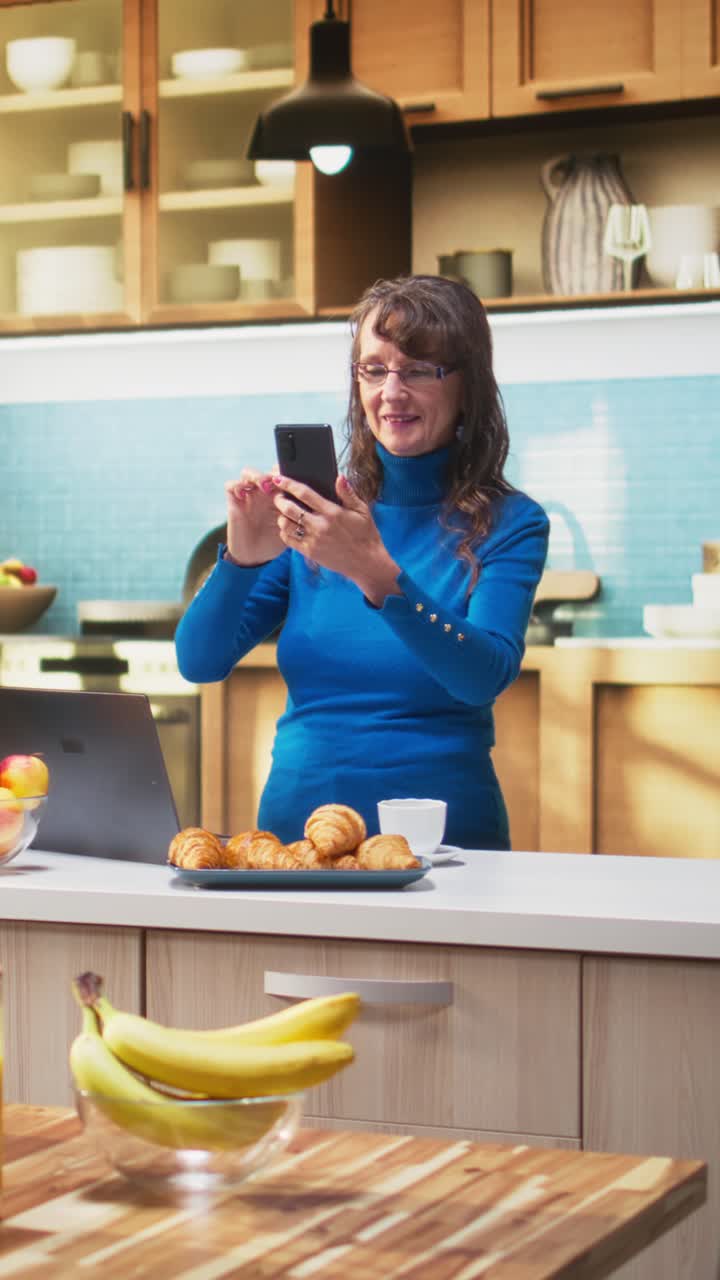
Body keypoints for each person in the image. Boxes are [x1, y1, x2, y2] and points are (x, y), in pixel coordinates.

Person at [175, 274, 549, 850]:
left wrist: (376, 574)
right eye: (374, 369)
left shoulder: (511, 523)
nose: (391, 392)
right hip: (299, 847)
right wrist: (242, 561)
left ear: (467, 385)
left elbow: (482, 677)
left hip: (444, 849)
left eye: (419, 370)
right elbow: (199, 661)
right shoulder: (317, 511)